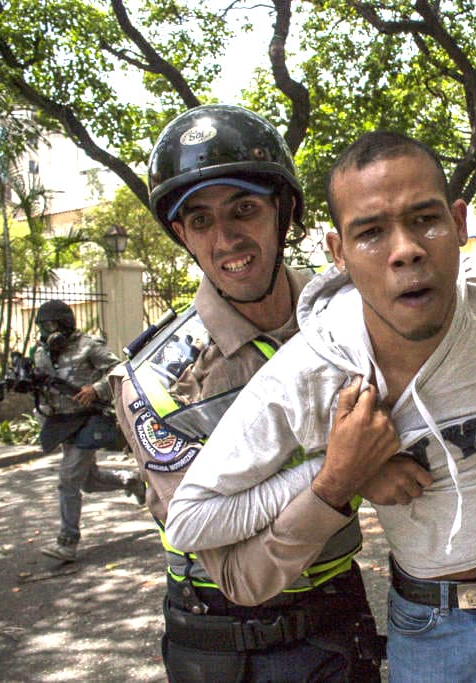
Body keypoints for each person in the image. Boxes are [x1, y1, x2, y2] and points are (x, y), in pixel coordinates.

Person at [167, 131, 476, 681]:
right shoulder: (309, 373)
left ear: (460, 224)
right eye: (370, 232)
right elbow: (189, 521)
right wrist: (342, 471)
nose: (406, 249)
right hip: (428, 625)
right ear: (338, 254)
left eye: (425, 219)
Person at [112, 104, 382, 681]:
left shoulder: (352, 319)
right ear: (181, 235)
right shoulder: (157, 381)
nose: (226, 238)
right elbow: (242, 575)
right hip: (226, 648)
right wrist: (338, 478)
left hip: (342, 621)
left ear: (284, 212)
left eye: (244, 209)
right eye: (201, 221)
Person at [32, 299, 144, 562]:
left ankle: (67, 542)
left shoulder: (88, 346)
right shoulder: (41, 352)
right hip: (61, 423)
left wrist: (96, 389)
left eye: (52, 325)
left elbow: (120, 369)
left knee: (68, 478)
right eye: (43, 327)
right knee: (88, 481)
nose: (48, 332)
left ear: (65, 323)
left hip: (89, 419)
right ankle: (132, 481)